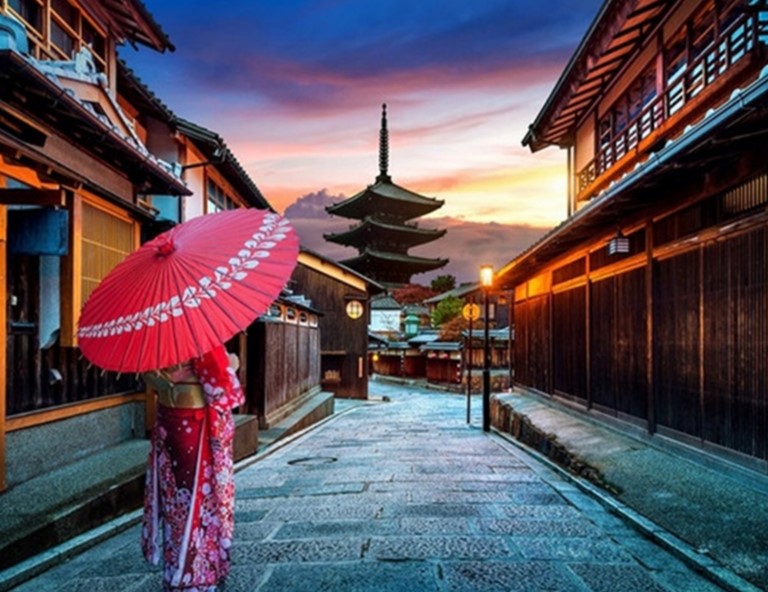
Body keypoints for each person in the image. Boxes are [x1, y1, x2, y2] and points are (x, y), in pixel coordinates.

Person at [141, 344, 244, 592]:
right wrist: (232, 362)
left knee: (174, 499)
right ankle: (195, 576)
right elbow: (220, 384)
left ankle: (174, 570)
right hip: (194, 425)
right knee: (199, 499)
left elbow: (152, 377)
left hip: (167, 421)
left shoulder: (154, 339)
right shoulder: (198, 338)